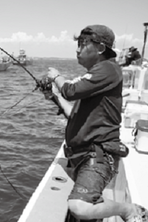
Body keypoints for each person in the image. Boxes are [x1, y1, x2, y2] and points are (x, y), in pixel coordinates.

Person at [42, 25, 148, 221]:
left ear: (100, 48)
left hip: (98, 155)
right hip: (81, 156)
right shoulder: (96, 78)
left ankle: (128, 210)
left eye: (83, 44)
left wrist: (56, 76)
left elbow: (71, 91)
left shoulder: (108, 68)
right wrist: (53, 96)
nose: (77, 49)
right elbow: (71, 113)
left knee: (79, 206)